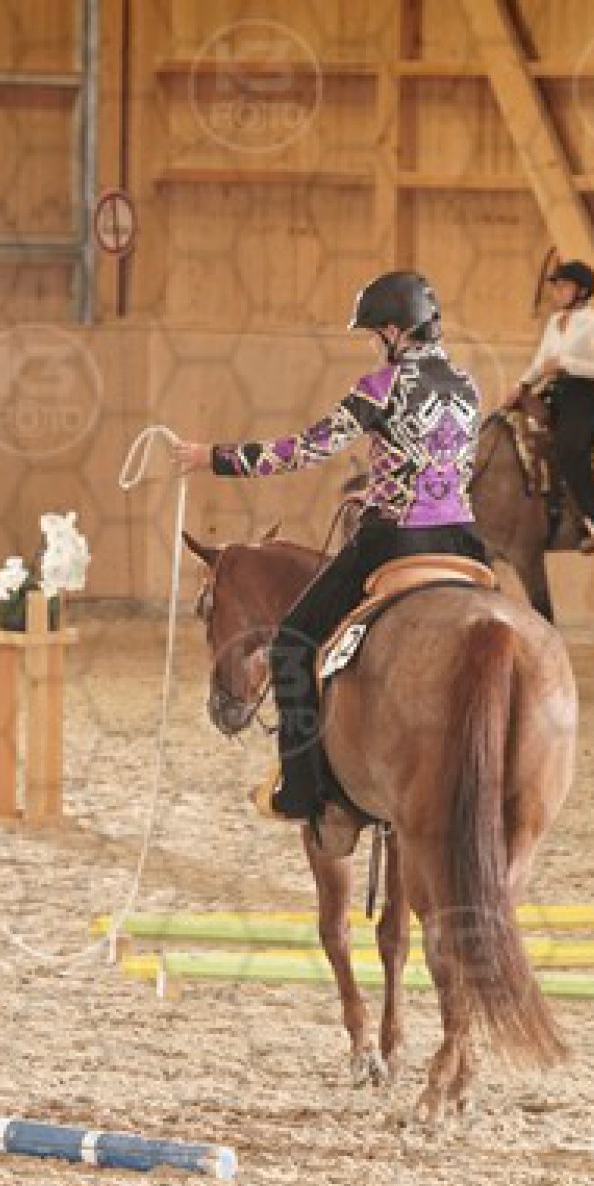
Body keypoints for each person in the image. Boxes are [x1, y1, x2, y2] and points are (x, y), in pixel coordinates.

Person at [171, 270, 485, 822]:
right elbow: (443, 465)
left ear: (394, 331)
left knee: (292, 646)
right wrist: (383, 481)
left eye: (374, 334)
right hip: (463, 541)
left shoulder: (380, 387)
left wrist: (210, 458)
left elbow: (303, 450)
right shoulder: (467, 385)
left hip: (395, 540)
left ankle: (301, 789)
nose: (374, 345)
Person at [509, 259, 594, 553]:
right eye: (556, 286)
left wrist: (566, 363)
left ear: (582, 291)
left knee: (571, 450)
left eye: (564, 286)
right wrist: (520, 386)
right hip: (553, 395)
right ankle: (543, 513)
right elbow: (539, 363)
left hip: (582, 399)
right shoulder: (554, 322)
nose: (557, 292)